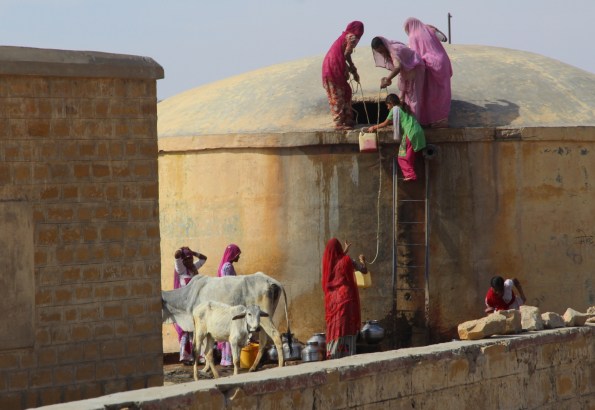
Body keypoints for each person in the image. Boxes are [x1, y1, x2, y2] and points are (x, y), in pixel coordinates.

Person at [322, 238, 367, 359]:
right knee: (347, 327)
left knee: (335, 327)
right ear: (339, 248)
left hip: (333, 302)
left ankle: (333, 354)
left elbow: (337, 261)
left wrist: (344, 251)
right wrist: (363, 260)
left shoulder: (328, 265)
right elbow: (363, 270)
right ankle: (348, 355)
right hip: (346, 299)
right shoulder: (347, 260)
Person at [404, 17, 452, 128]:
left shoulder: (413, 36)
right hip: (442, 62)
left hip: (429, 65)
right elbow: (444, 38)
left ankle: (429, 119)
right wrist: (434, 28)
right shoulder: (429, 30)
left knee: (430, 92)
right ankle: (441, 119)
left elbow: (415, 55)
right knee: (442, 92)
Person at [367, 94, 426, 181]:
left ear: (391, 103)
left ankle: (410, 175)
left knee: (401, 157)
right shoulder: (404, 106)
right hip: (418, 131)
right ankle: (410, 174)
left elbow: (385, 123)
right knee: (410, 156)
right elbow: (402, 120)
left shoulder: (394, 109)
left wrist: (373, 127)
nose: (387, 108)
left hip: (409, 134)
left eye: (387, 105)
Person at [322, 21, 365, 131]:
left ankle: (347, 119)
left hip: (331, 63)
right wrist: (353, 70)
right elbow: (346, 54)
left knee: (346, 90)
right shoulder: (352, 37)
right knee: (337, 94)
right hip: (334, 65)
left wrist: (352, 69)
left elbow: (346, 54)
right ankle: (339, 122)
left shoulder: (345, 36)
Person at [371, 36, 425, 121]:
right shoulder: (390, 49)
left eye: (381, 50)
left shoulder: (394, 50)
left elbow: (398, 67)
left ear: (383, 46)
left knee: (413, 98)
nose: (381, 53)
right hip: (406, 72)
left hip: (415, 69)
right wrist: (387, 79)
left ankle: (414, 123)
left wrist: (387, 79)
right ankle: (405, 121)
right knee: (403, 98)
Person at [173, 246, 207, 364]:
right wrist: (181, 250)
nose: (189, 261)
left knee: (196, 329)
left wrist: (193, 252)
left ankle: (199, 355)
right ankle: (186, 357)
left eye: (190, 258)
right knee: (185, 331)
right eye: (186, 259)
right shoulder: (181, 270)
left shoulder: (193, 267)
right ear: (183, 260)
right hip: (184, 306)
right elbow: (176, 255)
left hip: (195, 304)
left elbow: (204, 258)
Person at [216, 243, 242, 366]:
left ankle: (226, 359)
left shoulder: (228, 265)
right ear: (232, 255)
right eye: (237, 255)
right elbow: (228, 285)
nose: (238, 257)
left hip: (228, 300)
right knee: (230, 329)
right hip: (229, 301)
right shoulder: (227, 267)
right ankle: (227, 359)